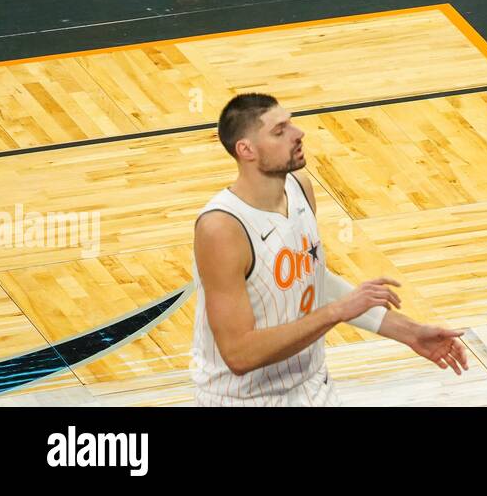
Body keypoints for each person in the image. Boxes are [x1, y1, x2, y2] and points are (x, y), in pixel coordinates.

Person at [191, 93, 469, 406]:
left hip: (313, 387)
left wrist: (409, 332)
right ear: (246, 150)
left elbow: (311, 280)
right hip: (244, 400)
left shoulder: (299, 187)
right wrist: (335, 313)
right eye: (279, 131)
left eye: (291, 124)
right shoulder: (222, 229)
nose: (298, 135)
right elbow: (239, 354)